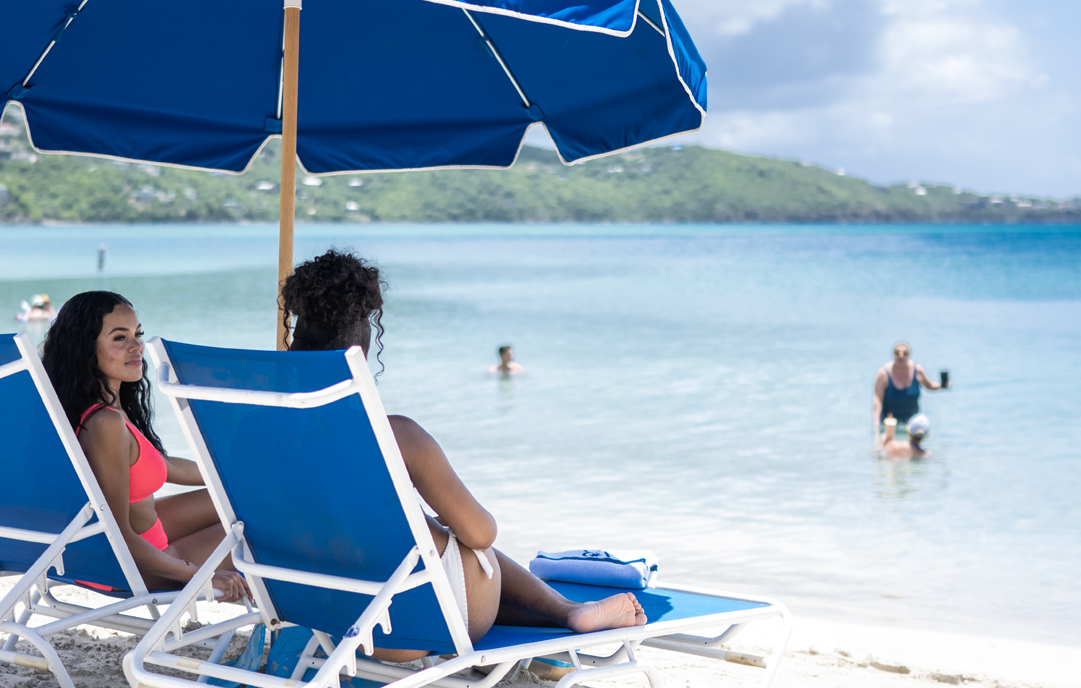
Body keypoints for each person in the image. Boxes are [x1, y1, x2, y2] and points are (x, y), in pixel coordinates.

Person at [283, 250, 645, 658]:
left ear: (294, 345)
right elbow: (482, 535)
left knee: (412, 531)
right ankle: (569, 611)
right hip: (415, 627)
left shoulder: (255, 433)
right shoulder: (398, 437)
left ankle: (569, 612)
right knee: (464, 541)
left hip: (327, 616)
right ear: (362, 354)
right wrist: (450, 524)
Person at [40, 292, 247, 601]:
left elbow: (166, 465)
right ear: (84, 348)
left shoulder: (91, 410)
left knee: (247, 496)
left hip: (129, 547)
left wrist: (239, 474)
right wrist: (201, 575)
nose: (137, 346)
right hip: (137, 566)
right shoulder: (104, 424)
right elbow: (117, 536)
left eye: (137, 334)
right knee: (267, 523)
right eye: (119, 337)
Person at [873, 342, 942, 437]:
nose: (901, 356)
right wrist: (876, 421)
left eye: (905, 353)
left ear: (909, 355)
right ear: (893, 354)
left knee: (915, 446)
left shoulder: (917, 370)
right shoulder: (883, 374)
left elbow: (929, 385)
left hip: (912, 425)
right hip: (890, 425)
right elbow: (877, 399)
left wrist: (942, 386)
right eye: (897, 353)